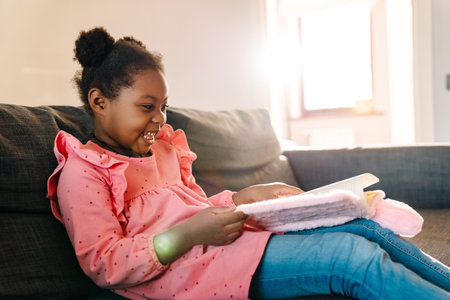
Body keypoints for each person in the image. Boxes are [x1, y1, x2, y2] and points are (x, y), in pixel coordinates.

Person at [47, 27, 450, 300]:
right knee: (347, 257)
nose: (160, 119)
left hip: (226, 249)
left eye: (164, 107)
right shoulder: (84, 172)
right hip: (189, 278)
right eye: (147, 107)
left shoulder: (163, 151)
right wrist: (186, 236)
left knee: (361, 226)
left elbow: (197, 209)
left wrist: (244, 197)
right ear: (99, 102)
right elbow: (104, 264)